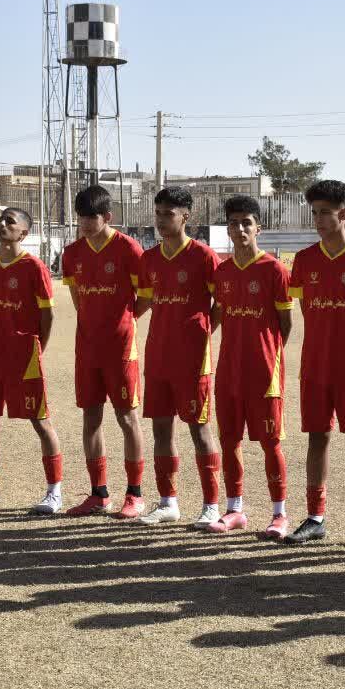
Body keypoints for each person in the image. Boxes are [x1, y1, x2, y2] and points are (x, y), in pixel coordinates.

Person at [284, 180, 345, 546]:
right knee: (317, 437)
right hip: (315, 366)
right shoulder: (305, 260)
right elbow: (303, 312)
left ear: (344, 213)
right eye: (315, 212)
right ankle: (315, 517)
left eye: (325, 212)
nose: (319, 219)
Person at [0, 208, 65, 511]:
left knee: (40, 421)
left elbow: (47, 315)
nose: (2, 224)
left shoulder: (34, 267)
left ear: (23, 234)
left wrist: (37, 349)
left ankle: (54, 491)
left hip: (24, 354)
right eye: (1, 220)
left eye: (10, 222)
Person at [136, 187, 223, 526]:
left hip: (192, 359)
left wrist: (202, 332)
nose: (160, 220)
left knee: (199, 430)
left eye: (168, 214)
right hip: (158, 355)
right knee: (161, 430)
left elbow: (221, 304)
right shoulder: (149, 259)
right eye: (158, 213)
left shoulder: (204, 256)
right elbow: (143, 302)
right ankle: (167, 502)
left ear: (186, 216)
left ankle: (211, 505)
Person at [60, 185, 147, 518]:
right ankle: (99, 494)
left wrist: (125, 320)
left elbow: (146, 295)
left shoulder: (129, 249)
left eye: (91, 217)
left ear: (107, 216)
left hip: (120, 347)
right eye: (80, 217)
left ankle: (135, 494)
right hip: (87, 348)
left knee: (127, 418)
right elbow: (78, 299)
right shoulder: (72, 253)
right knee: (91, 418)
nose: (84, 223)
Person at [208, 195, 293, 535]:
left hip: (264, 372)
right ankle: (235, 510)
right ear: (227, 229)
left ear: (259, 228)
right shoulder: (223, 271)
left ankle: (280, 514)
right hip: (229, 370)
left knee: (270, 442)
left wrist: (268, 353)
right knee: (229, 440)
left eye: (247, 223)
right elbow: (216, 315)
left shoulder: (274, 270)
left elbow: (285, 324)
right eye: (234, 223)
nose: (240, 229)